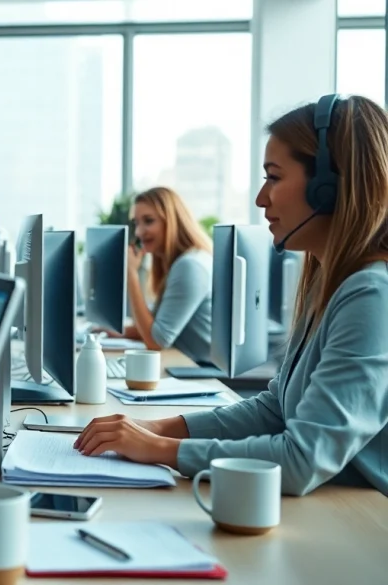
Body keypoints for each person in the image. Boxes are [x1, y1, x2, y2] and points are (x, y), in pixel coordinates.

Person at [75, 94, 388, 497]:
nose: (261, 198)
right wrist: (157, 428)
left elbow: (300, 459)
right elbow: (273, 410)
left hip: (360, 523)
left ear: (328, 187)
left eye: (273, 177)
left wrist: (161, 449)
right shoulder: (329, 282)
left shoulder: (371, 295)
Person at [111, 186, 213, 364]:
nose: (139, 232)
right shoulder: (181, 261)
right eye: (136, 223)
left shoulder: (190, 266)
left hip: (202, 371)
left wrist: (131, 273)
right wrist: (112, 332)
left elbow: (156, 341)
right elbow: (156, 327)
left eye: (148, 221)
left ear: (172, 221)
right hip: (186, 364)